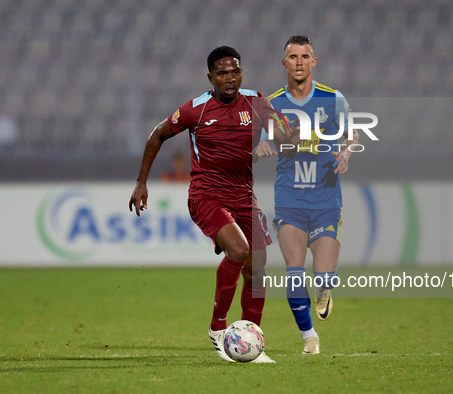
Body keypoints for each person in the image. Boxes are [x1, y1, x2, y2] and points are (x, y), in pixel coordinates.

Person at [129, 46, 298, 363]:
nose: (230, 78)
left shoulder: (256, 101)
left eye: (235, 71)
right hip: (206, 195)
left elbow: (280, 134)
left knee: (257, 269)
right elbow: (157, 135)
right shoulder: (197, 109)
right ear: (211, 77)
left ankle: (251, 341)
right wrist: (142, 181)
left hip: (243, 196)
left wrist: (286, 137)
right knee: (238, 250)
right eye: (222, 73)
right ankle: (218, 327)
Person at [254, 35, 360, 355]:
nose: (299, 62)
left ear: (314, 62)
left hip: (327, 200)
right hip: (291, 200)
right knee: (294, 269)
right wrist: (260, 149)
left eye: (304, 56)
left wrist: (346, 154)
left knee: (323, 275)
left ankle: (325, 287)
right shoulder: (272, 105)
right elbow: (260, 145)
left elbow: (352, 134)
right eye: (293, 57)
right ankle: (309, 337)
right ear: (284, 63)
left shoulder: (333, 99)